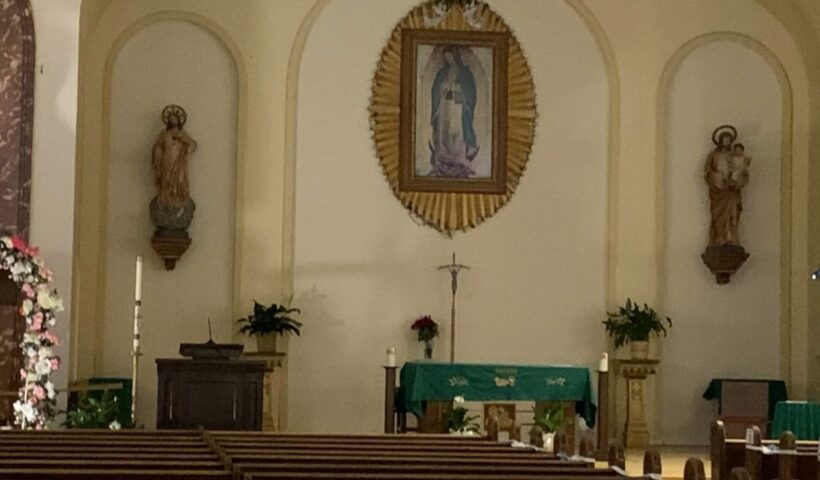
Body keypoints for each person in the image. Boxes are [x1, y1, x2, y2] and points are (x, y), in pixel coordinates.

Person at [429, 46, 478, 178]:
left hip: (458, 107)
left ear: (455, 57)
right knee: (444, 130)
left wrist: (457, 92)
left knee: (456, 131)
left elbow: (470, 93)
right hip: (445, 106)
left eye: (450, 56)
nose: (448, 59)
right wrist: (442, 89)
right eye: (446, 57)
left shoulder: (464, 73)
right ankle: (444, 157)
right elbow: (436, 90)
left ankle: (458, 157)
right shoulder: (442, 73)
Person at [704, 130, 749, 246]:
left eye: (729, 140)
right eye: (725, 139)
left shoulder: (735, 156)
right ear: (720, 141)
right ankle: (719, 237)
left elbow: (743, 173)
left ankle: (731, 237)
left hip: (732, 190)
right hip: (718, 191)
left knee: (733, 213)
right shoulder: (713, 155)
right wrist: (718, 178)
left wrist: (738, 181)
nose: (727, 142)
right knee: (718, 214)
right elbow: (708, 172)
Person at [152, 105, 198, 208]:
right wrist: (157, 160)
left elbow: (193, 144)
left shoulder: (182, 133)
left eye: (174, 118)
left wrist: (183, 140)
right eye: (170, 118)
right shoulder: (164, 133)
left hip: (178, 161)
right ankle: (166, 201)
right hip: (167, 160)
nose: (172, 120)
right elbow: (158, 146)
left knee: (179, 180)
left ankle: (178, 200)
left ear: (179, 120)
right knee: (166, 180)